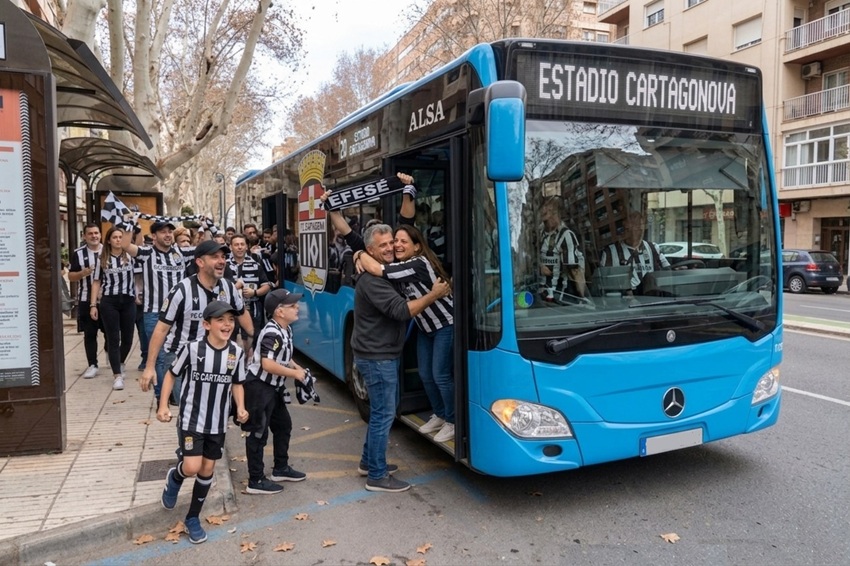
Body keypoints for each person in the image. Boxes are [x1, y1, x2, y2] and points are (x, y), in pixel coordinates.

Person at [352, 223, 451, 493]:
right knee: (384, 414)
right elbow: (401, 311)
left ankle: (368, 462)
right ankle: (377, 475)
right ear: (370, 250)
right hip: (378, 356)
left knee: (381, 412)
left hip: (378, 353)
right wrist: (434, 295)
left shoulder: (386, 268)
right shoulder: (373, 280)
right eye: (383, 245)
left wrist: (358, 255)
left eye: (392, 242)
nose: (391, 247)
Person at [157, 300, 249, 544]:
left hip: (217, 423)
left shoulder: (236, 353)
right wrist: (163, 405)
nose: (227, 324)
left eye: (230, 320)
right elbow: (171, 374)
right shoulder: (192, 349)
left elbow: (237, 383)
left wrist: (240, 407)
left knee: (207, 469)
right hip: (191, 419)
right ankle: (175, 478)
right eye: (220, 320)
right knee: (191, 467)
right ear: (206, 325)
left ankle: (192, 518)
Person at [140, 240, 254, 403]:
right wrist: (150, 367)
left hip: (216, 355)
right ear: (200, 262)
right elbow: (161, 329)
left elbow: (243, 315)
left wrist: (252, 345)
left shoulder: (228, 288)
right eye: (215, 257)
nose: (222, 261)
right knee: (190, 408)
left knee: (213, 407)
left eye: (223, 257)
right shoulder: (181, 290)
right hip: (182, 357)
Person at [242, 288, 309, 494]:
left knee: (283, 425)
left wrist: (296, 366)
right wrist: (294, 375)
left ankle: (280, 468)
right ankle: (256, 480)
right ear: (279, 311)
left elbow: (284, 354)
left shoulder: (285, 329)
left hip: (274, 387)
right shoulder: (272, 332)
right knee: (258, 433)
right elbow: (267, 364)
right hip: (259, 388)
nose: (297, 307)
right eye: (292, 306)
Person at [123, 220, 194, 403]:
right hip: (154, 313)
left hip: (179, 314)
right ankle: (163, 396)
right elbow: (125, 245)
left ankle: (175, 395)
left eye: (170, 231)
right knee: (160, 357)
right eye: (163, 232)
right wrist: (129, 223)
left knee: (178, 354)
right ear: (154, 236)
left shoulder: (181, 253)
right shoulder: (147, 253)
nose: (168, 235)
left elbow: (207, 249)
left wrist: (205, 228)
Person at [90, 227, 137, 390]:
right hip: (109, 300)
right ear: (108, 240)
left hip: (128, 300)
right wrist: (93, 304)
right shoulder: (102, 259)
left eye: (120, 237)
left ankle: (120, 361)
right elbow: (96, 281)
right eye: (114, 237)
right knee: (113, 337)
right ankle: (117, 375)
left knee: (129, 338)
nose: (118, 240)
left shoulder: (130, 256)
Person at [68, 223, 106, 378]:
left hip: (107, 299)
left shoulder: (108, 251)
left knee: (111, 333)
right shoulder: (78, 254)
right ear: (84, 236)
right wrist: (82, 273)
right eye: (90, 233)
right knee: (90, 334)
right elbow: (71, 276)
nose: (94, 236)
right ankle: (92, 364)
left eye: (96, 233)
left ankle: (112, 354)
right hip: (85, 299)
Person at [600, 210, 670, 293]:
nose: (638, 230)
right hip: (624, 301)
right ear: (625, 228)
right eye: (633, 226)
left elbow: (668, 272)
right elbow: (603, 283)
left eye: (640, 226)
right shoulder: (610, 253)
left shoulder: (653, 248)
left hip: (651, 299)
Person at [538, 198, 587, 303]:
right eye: (543, 207)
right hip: (542, 296)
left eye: (549, 208)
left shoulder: (566, 235)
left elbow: (575, 271)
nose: (544, 210)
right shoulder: (541, 234)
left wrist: (582, 297)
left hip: (561, 299)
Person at [228, 234, 270, 355]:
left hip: (252, 308)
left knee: (252, 337)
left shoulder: (255, 264)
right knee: (231, 338)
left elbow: (267, 285)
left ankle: (248, 363)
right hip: (231, 309)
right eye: (236, 244)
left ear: (247, 246)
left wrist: (255, 292)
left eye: (242, 244)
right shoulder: (224, 265)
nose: (239, 247)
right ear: (231, 247)